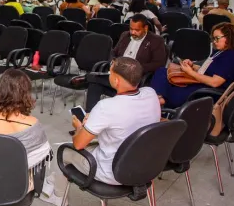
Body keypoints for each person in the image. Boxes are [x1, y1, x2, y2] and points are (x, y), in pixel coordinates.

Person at [59, 57, 160, 187]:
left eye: (110, 73)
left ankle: (58, 193)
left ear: (116, 80)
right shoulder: (151, 93)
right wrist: (96, 119)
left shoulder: (105, 107)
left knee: (65, 152)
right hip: (146, 166)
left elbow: (78, 145)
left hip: (113, 172)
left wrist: (78, 127)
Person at [0, 70, 51, 206]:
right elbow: (43, 156)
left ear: (0, 90)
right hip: (17, 185)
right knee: (22, 168)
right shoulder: (33, 124)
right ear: (26, 93)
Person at [151, 22, 234, 108]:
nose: (214, 41)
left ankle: (159, 100)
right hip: (200, 85)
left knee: (165, 87)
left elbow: (215, 82)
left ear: (230, 37)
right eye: (213, 38)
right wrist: (192, 66)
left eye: (217, 38)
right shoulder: (221, 52)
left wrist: (191, 72)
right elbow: (209, 70)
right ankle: (159, 98)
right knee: (162, 71)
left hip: (204, 92)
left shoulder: (231, 57)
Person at [85, 14, 167, 111]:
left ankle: (86, 78)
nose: (133, 32)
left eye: (137, 30)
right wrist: (113, 61)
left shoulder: (156, 41)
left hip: (134, 78)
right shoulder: (125, 35)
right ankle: (90, 114)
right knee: (94, 83)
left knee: (93, 78)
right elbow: (113, 52)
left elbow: (159, 63)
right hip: (117, 73)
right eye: (131, 29)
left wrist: (135, 68)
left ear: (145, 28)